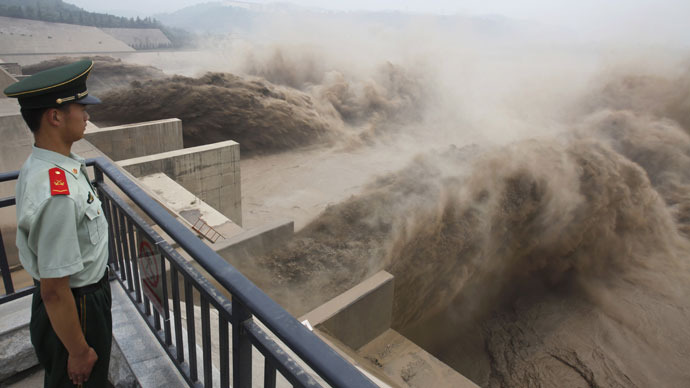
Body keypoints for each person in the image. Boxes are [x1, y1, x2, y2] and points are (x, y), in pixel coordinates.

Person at [4, 59, 111, 387]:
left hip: (76, 303)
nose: (87, 115)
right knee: (80, 377)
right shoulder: (57, 193)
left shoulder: (42, 164)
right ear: (55, 116)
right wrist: (78, 351)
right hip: (76, 308)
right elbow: (53, 289)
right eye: (81, 107)